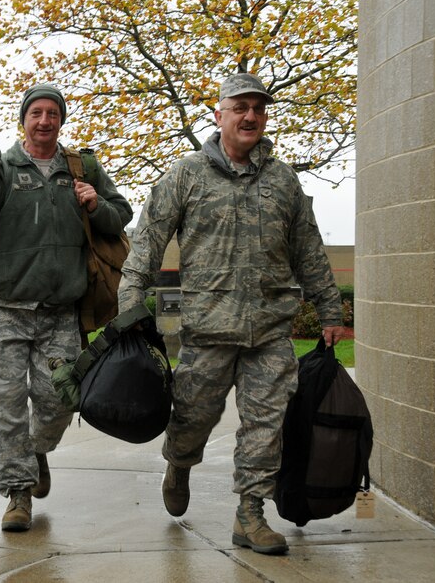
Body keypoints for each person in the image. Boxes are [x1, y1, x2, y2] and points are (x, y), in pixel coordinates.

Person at [117, 72, 345, 555]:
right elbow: (149, 240)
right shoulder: (187, 174)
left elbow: (309, 249)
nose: (250, 116)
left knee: (265, 424)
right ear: (219, 114)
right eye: (240, 107)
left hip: (270, 329)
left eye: (258, 109)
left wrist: (330, 307)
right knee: (191, 421)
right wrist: (130, 303)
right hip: (208, 330)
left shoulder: (283, 180)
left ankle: (250, 514)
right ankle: (178, 463)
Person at [0, 83, 133, 532]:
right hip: (3, 308)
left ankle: (35, 453)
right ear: (23, 119)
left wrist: (95, 205)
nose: (44, 120)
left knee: (59, 402)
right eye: (36, 112)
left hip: (59, 312)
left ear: (61, 120)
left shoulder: (80, 167)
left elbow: (120, 214)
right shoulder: (2, 165)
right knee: (5, 405)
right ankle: (17, 493)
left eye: (52, 113)